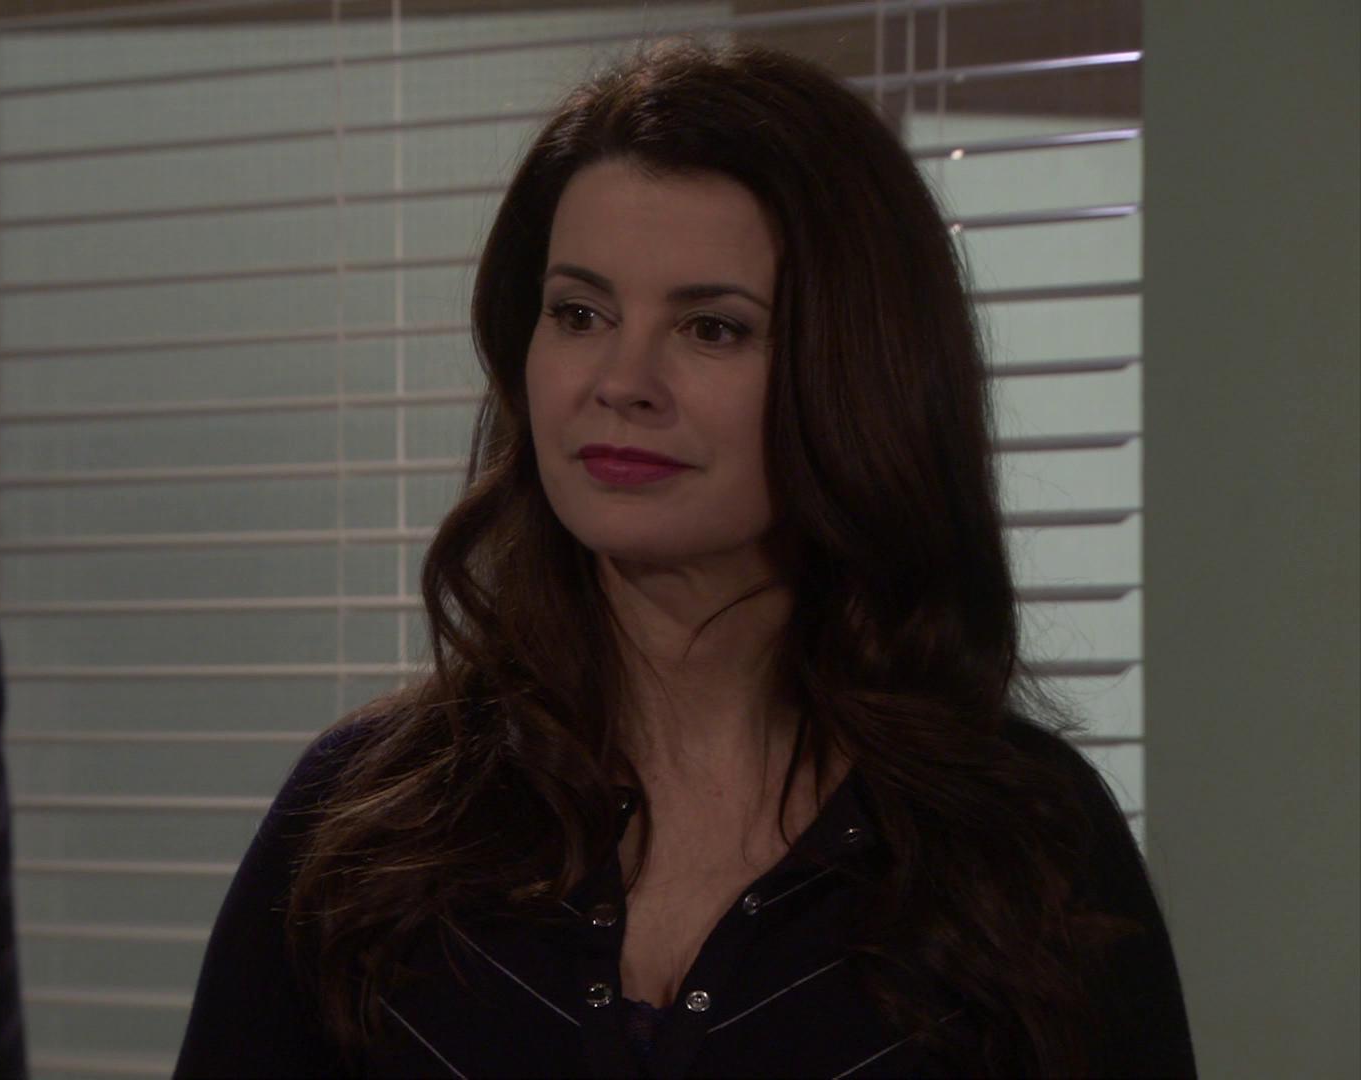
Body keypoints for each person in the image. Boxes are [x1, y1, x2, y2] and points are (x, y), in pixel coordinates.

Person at [174, 36, 1194, 1079]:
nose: (622, 380)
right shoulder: (362, 823)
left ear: (855, 374)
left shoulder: (1026, 850)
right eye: (579, 314)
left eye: (712, 328)